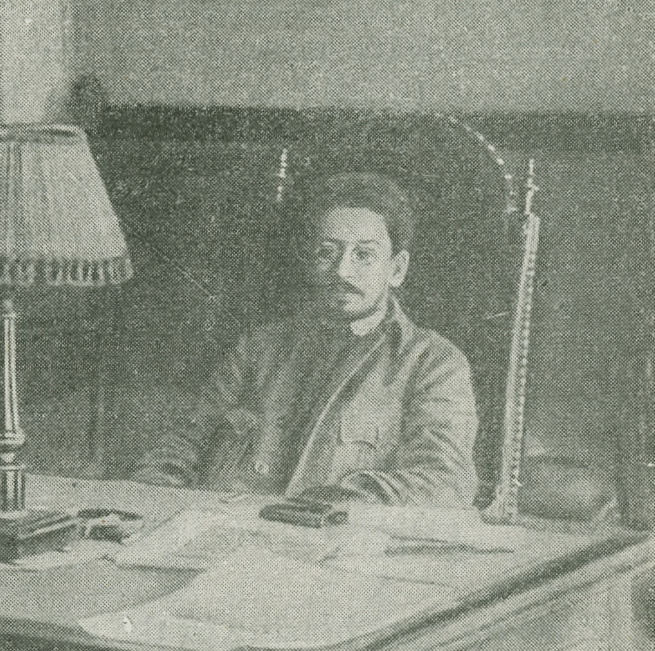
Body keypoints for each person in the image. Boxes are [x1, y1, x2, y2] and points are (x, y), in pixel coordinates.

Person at [133, 172, 478, 506]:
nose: (342, 271)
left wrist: (324, 505)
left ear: (397, 269)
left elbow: (444, 480)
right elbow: (180, 443)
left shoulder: (432, 362)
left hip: (337, 543)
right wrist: (157, 498)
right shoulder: (259, 347)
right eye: (327, 252)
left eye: (364, 254)